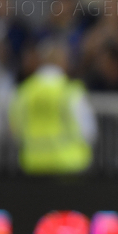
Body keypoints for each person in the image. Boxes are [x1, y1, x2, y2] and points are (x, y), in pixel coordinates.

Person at [9, 40, 96, 174]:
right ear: (63, 61)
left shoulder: (24, 93)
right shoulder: (70, 92)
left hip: (33, 166)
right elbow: (88, 132)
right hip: (69, 167)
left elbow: (15, 130)